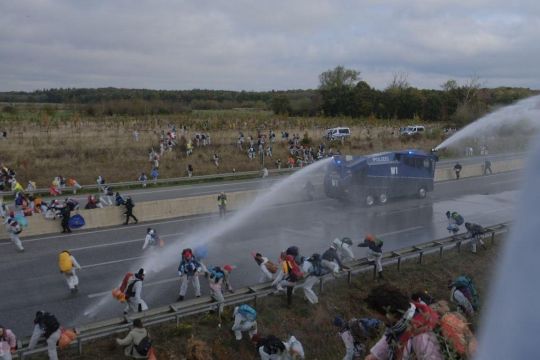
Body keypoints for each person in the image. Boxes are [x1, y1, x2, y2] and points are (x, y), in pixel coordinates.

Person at [364, 285, 443, 360]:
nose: (375, 316)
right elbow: (387, 341)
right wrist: (374, 356)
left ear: (391, 314)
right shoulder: (398, 326)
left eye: (376, 313)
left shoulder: (421, 336)